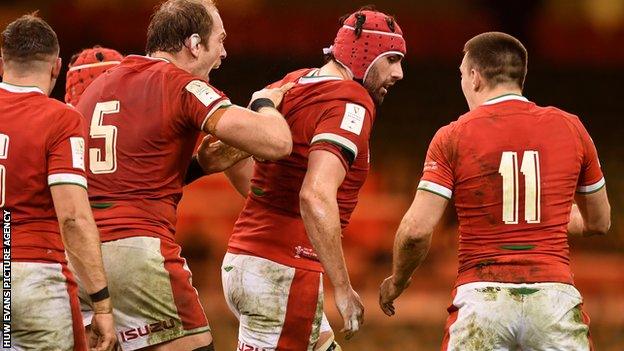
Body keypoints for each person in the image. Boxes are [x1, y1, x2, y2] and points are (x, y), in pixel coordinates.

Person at [74, 0, 293, 349]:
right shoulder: (180, 85)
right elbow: (276, 142)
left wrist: (199, 166)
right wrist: (264, 103)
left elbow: (118, 177)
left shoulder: (96, 89)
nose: (224, 52)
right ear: (194, 44)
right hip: (139, 252)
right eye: (219, 39)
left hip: (82, 256)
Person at [379, 32, 611, 351]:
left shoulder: (453, 136)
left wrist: (397, 281)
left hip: (482, 300)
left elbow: (416, 231)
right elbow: (599, 222)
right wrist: (545, 220)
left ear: (474, 77)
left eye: (462, 75)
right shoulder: (571, 127)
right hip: (553, 298)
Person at [223, 6, 405, 350]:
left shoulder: (291, 82)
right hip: (283, 271)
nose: (399, 73)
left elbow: (227, 155)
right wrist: (343, 287)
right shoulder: (352, 99)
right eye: (392, 59)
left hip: (248, 261)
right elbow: (315, 195)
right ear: (363, 52)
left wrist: (269, 208)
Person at [0, 14, 116, 351]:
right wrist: (101, 303)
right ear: (56, 67)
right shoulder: (60, 119)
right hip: (34, 276)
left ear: (2, 63)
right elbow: (73, 218)